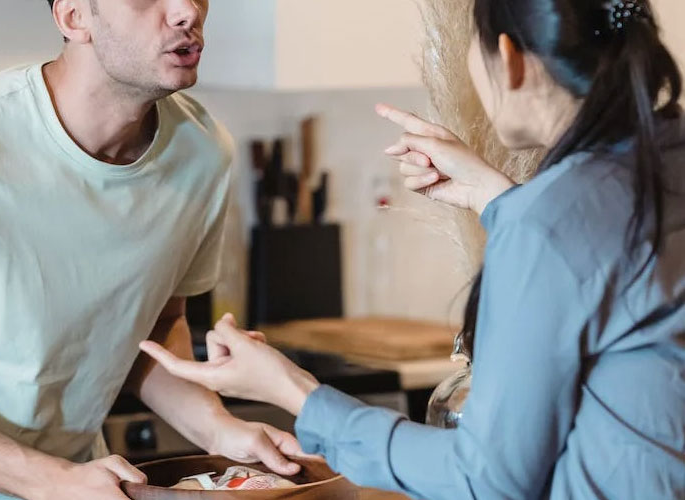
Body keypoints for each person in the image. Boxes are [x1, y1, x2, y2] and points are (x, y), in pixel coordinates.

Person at [140, 0, 685, 498]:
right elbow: (613, 262)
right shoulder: (666, 157)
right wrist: (493, 195)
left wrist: (295, 391)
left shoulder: (550, 222)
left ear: (510, 60)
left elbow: (488, 477)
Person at [0, 1, 303, 499]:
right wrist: (49, 480)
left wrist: (217, 427)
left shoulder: (202, 154)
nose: (185, 12)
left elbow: (153, 329)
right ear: (75, 18)